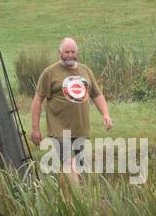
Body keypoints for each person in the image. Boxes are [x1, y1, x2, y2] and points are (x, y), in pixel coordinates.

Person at [29, 38, 112, 181]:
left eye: (73, 52)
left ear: (77, 52)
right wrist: (35, 128)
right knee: (67, 163)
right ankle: (77, 198)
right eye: (66, 52)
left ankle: (72, 195)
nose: (70, 55)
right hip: (59, 129)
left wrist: (106, 114)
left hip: (81, 128)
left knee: (79, 166)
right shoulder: (50, 73)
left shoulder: (85, 70)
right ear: (59, 53)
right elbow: (38, 100)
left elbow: (97, 95)